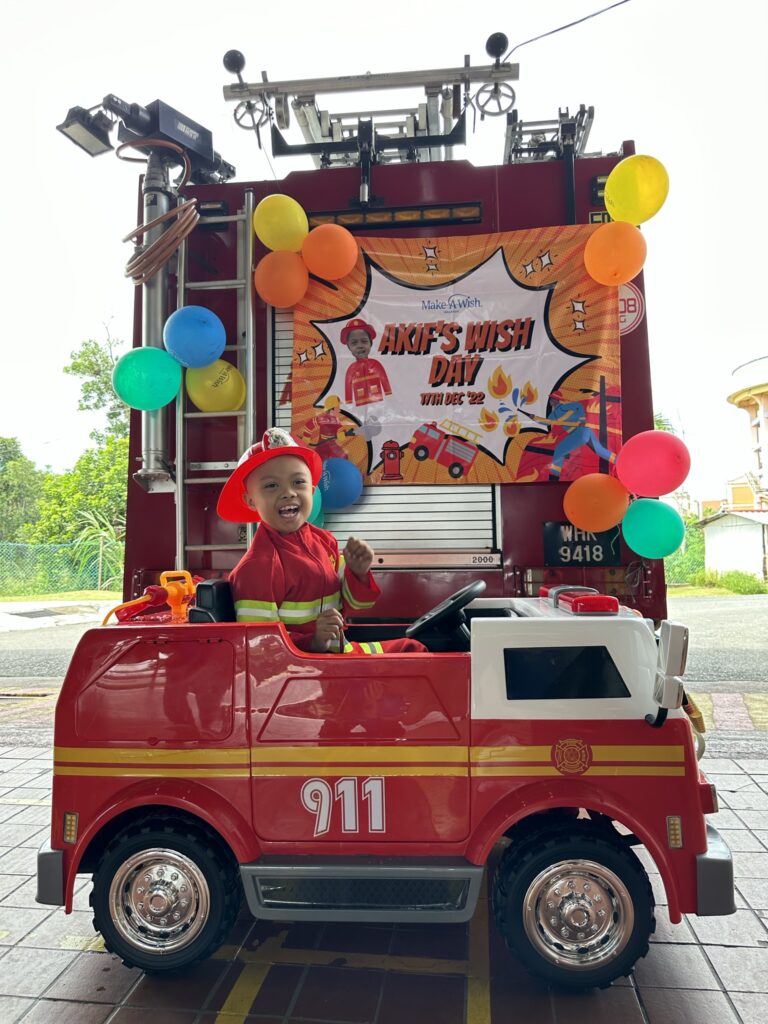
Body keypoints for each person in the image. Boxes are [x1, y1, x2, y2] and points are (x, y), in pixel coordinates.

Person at [217, 427, 425, 655]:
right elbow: (261, 650)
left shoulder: (325, 541)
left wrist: (358, 572)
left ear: (312, 490)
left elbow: (358, 604)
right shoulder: (257, 568)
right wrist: (313, 642)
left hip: (338, 654)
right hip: (310, 671)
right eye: (271, 485)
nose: (288, 493)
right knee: (417, 653)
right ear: (251, 501)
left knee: (413, 648)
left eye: (298, 483)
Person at [341, 318, 392, 408]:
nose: (360, 346)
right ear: (349, 347)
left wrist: (388, 393)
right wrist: (349, 401)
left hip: (377, 402)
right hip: (359, 403)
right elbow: (347, 385)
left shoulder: (376, 364)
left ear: (370, 343)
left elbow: (384, 379)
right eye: (354, 343)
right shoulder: (351, 368)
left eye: (364, 341)